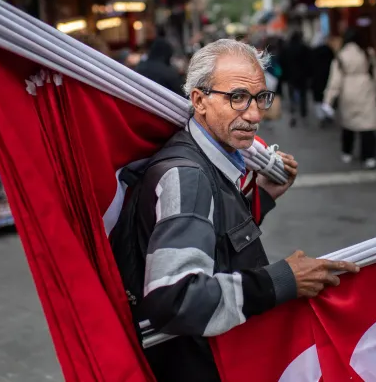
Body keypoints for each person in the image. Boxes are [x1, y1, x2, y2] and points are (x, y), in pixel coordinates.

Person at [112, 39, 359, 381]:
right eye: (237, 98)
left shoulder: (213, 157)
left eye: (260, 98)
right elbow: (176, 299)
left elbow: (214, 244)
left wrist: (263, 197)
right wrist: (283, 279)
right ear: (199, 100)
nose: (255, 115)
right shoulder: (189, 176)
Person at [323, 28, 376, 169]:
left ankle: (347, 152)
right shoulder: (368, 53)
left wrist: (328, 100)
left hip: (348, 90)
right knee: (368, 126)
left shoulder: (341, 55)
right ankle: (369, 157)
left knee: (348, 124)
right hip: (366, 89)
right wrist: (375, 87)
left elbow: (335, 81)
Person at [280, 31, 311, 127]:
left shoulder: (286, 48)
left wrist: (284, 76)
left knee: (292, 96)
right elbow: (309, 63)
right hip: (302, 76)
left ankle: (293, 114)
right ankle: (303, 114)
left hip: (290, 76)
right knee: (303, 96)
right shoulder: (304, 48)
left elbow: (282, 62)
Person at [309, 33, 335, 127]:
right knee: (327, 97)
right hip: (328, 77)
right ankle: (329, 114)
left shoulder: (313, 51)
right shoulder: (329, 50)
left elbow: (310, 67)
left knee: (318, 99)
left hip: (317, 79)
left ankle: (321, 117)